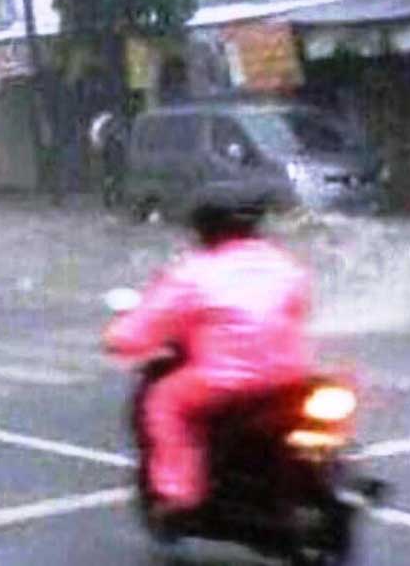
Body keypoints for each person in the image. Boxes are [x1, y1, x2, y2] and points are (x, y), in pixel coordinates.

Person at [103, 200, 313, 513]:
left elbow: (140, 331)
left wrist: (116, 339)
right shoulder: (284, 265)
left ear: (204, 231)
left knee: (163, 403)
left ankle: (178, 492)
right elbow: (299, 306)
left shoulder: (194, 273)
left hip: (225, 378)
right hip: (291, 374)